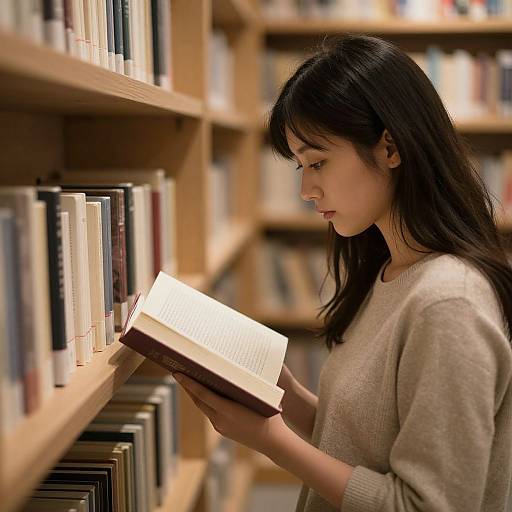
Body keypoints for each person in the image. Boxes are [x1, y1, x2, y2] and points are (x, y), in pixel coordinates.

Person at [173, 35, 512, 511]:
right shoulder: (393, 270)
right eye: (300, 166)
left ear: (390, 147)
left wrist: (271, 441)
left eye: (318, 162)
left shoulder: (448, 302)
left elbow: (429, 505)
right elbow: (364, 445)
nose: (307, 188)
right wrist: (285, 397)